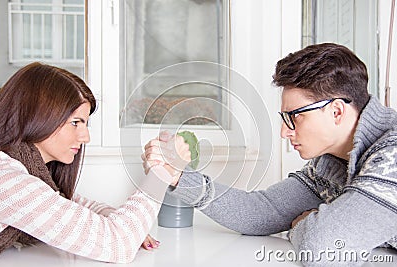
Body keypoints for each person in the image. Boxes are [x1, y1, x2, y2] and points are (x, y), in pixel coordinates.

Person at [142, 43, 397, 266]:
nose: (285, 132)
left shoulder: (391, 155)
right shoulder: (330, 163)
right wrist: (178, 177)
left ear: (337, 112)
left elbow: (323, 249)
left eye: (295, 117)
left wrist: (301, 226)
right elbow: (261, 212)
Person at [0, 62, 190, 263]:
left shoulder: (24, 171)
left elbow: (72, 204)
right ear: (35, 116)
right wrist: (163, 170)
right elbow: (118, 244)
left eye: (86, 123)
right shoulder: (6, 179)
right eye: (75, 123)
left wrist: (125, 223)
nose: (85, 137)